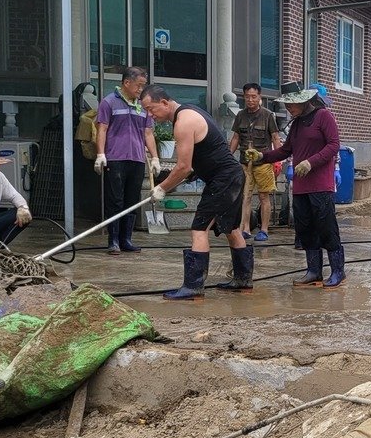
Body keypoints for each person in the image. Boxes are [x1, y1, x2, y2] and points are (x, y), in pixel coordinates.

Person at [142, 85, 251, 300]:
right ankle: (243, 280)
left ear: (164, 102)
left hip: (224, 179)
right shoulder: (192, 111)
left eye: (151, 108)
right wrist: (191, 174)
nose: (150, 115)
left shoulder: (183, 122)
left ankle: (193, 287)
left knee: (199, 229)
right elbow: (200, 158)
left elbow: (183, 166)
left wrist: (162, 189)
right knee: (232, 228)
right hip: (231, 176)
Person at [258, 81, 345, 288]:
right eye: (286, 106)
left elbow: (334, 146)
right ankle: (313, 271)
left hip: (321, 185)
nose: (289, 109)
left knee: (326, 227)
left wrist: (310, 162)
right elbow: (286, 150)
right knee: (305, 229)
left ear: (304, 101)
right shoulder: (296, 124)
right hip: (301, 187)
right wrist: (263, 156)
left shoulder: (324, 117)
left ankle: (337, 271)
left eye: (292, 105)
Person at [94, 66, 161, 254]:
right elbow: (102, 129)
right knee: (115, 199)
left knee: (132, 200)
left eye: (143, 86)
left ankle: (126, 239)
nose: (141, 89)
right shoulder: (109, 102)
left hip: (137, 159)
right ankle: (113, 240)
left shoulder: (143, 106)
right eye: (139, 86)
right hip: (116, 158)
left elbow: (148, 133)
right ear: (126, 82)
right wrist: (101, 154)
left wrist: (155, 157)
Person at [229, 83, 281, 242]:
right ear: (243, 97)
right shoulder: (240, 116)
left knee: (264, 196)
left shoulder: (267, 115)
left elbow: (275, 138)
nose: (250, 100)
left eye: (254, 96)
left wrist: (277, 159)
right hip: (245, 163)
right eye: (247, 97)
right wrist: (228, 156)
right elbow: (236, 137)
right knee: (245, 196)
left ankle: (264, 229)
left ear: (259, 97)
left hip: (263, 162)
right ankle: (245, 228)